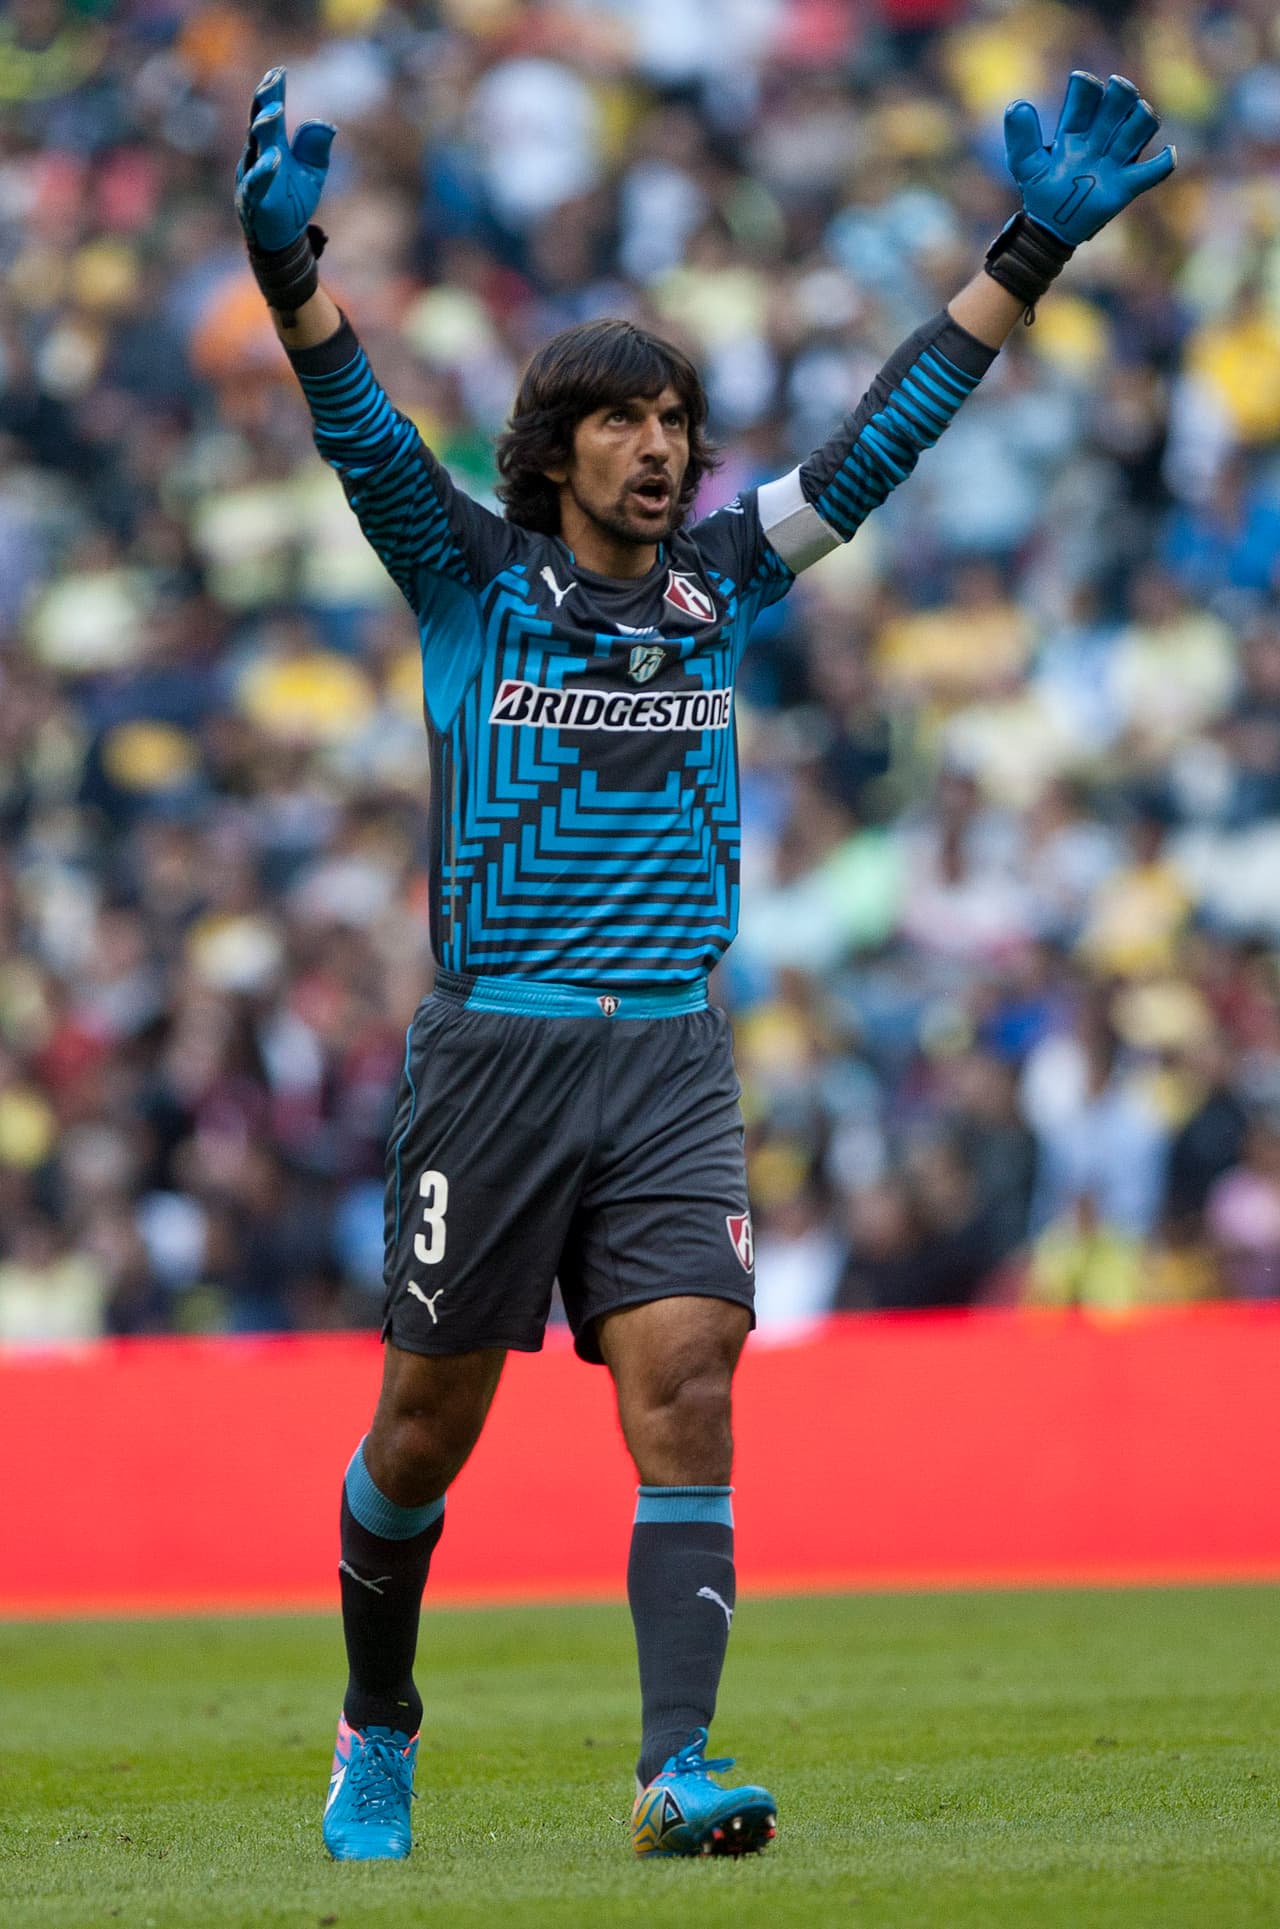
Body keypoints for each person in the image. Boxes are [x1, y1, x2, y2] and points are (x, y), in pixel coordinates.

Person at [233, 65, 1174, 1863]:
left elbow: (888, 437)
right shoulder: (468, 578)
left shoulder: (725, 584)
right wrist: (290, 278)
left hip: (668, 1054)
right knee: (422, 1436)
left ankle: (674, 1768)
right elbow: (354, 416)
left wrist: (1033, 243)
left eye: (677, 417)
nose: (660, 446)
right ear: (555, 447)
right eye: (622, 421)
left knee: (691, 1376)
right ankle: (379, 1722)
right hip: (491, 1059)